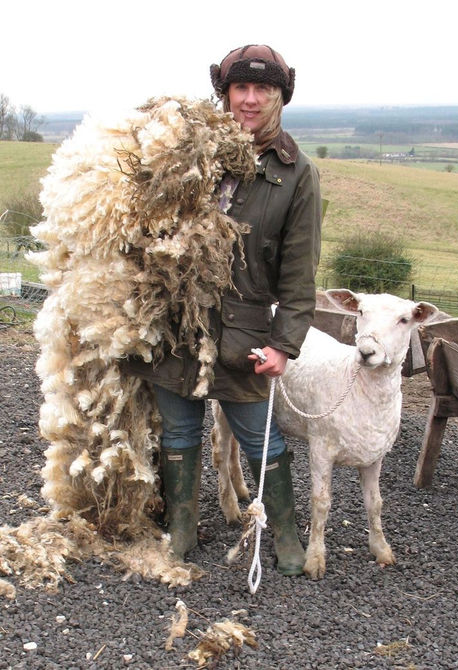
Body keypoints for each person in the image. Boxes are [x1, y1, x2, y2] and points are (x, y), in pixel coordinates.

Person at [128, 44, 322, 576]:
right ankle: (181, 530)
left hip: (244, 335)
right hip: (179, 326)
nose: (251, 99)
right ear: (225, 93)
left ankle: (282, 532)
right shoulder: (191, 154)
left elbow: (300, 274)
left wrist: (285, 344)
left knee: (262, 436)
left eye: (263, 90)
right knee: (180, 432)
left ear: (281, 96)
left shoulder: (296, 174)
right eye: (241, 88)